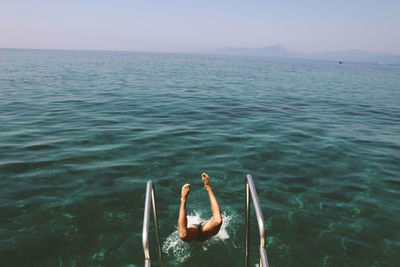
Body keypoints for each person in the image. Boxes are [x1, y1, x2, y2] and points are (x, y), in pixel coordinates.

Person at [178, 173, 223, 242]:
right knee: (183, 235)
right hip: (197, 231)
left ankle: (207, 187)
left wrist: (208, 187)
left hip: (203, 231)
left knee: (218, 221)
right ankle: (183, 199)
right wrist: (183, 198)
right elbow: (183, 235)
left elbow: (218, 221)